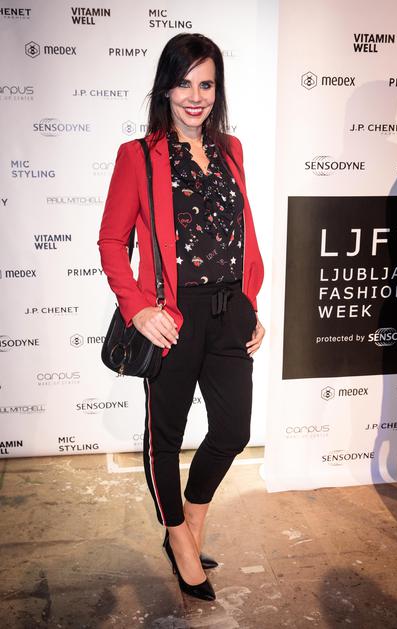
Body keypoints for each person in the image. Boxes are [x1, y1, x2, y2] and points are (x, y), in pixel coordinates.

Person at [98, 33, 265, 601]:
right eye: (184, 83)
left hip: (230, 311)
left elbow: (240, 236)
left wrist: (250, 306)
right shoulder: (138, 156)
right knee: (164, 438)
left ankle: (191, 521)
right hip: (173, 316)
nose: (196, 96)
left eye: (206, 84)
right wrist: (138, 308)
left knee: (233, 431)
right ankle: (180, 539)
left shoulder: (231, 149)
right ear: (165, 88)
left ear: (218, 90)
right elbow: (112, 241)